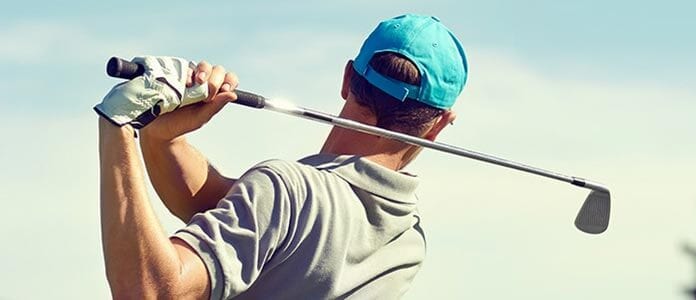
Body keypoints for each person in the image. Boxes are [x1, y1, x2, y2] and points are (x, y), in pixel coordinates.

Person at [95, 14, 467, 299]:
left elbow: (152, 290)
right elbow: (218, 206)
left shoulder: (288, 192)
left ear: (347, 78)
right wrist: (162, 137)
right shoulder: (407, 242)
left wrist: (120, 125)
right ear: (438, 125)